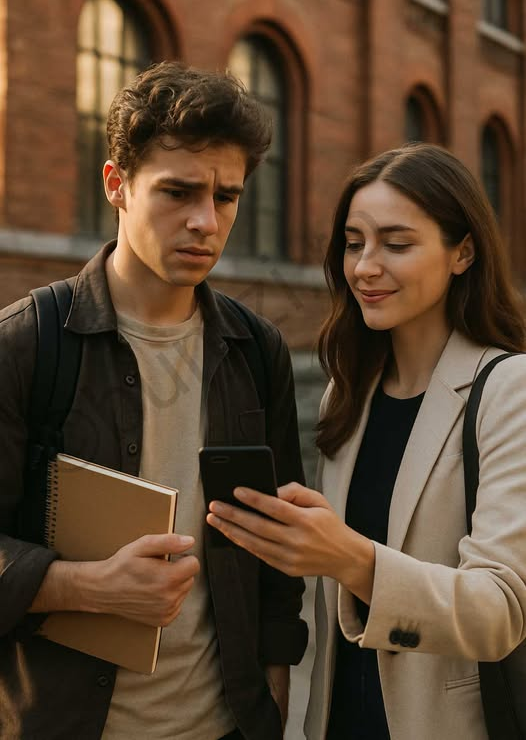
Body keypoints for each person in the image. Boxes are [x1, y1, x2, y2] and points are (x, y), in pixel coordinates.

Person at [0, 61, 307, 740]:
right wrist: (83, 585)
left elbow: (277, 569)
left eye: (227, 197)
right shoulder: (26, 345)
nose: (205, 221)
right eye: (178, 191)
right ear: (117, 184)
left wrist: (274, 710)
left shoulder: (258, 352)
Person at [207, 143, 526, 740]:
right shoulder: (346, 394)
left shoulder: (509, 389)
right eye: (354, 243)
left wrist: (349, 557)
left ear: (463, 252)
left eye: (397, 244)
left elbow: (501, 611)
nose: (365, 267)